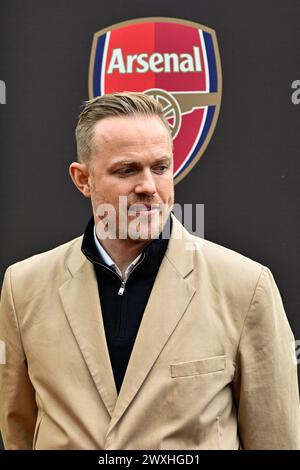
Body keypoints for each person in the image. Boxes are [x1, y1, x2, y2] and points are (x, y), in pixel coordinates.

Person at [0, 93, 299, 450]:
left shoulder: (246, 286)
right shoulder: (24, 287)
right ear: (83, 179)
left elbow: (276, 439)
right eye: (127, 170)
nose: (148, 186)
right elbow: (18, 428)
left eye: (160, 167)